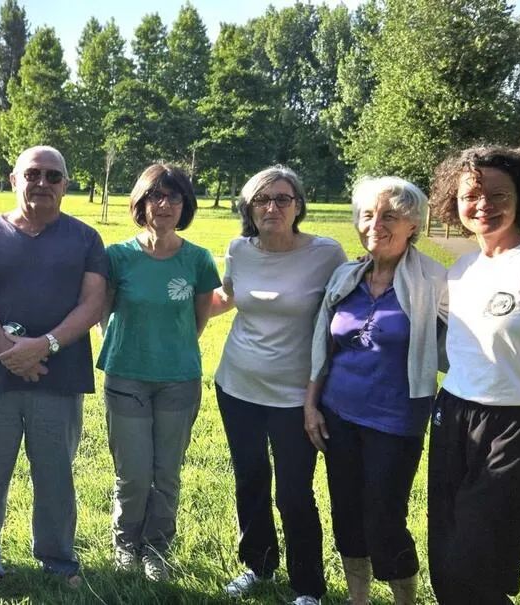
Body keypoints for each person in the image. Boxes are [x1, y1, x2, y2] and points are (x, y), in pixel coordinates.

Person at [426, 145, 520, 605]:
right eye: (471, 195)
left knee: (476, 561)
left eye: (497, 194)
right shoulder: (460, 271)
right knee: (443, 558)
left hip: (517, 426)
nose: (483, 205)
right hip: (452, 416)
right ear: (453, 202)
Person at [0, 145, 107, 588]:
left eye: (53, 176)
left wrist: (44, 345)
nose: (42, 183)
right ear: (14, 180)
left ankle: (58, 559)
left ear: (66, 185)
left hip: (60, 376)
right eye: (32, 174)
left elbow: (93, 303)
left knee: (56, 474)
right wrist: (11, 352)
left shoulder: (86, 238)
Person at [304, 177, 447, 605]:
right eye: (368, 215)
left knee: (385, 520)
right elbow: (323, 346)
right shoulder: (346, 276)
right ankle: (359, 599)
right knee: (347, 515)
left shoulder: (432, 280)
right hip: (338, 415)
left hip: (396, 421)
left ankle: (405, 600)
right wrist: (311, 405)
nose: (375, 225)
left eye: (389, 216)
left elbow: (475, 338)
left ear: (413, 224)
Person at [211, 165, 346, 605]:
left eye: (282, 198)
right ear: (249, 208)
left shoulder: (326, 254)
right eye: (262, 200)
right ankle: (258, 565)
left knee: (293, 492)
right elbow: (227, 296)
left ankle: (307, 586)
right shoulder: (239, 250)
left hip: (295, 397)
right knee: (249, 479)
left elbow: (347, 310)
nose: (272, 207)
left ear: (298, 205)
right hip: (236, 386)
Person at [97, 164, 220, 581]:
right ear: (141, 202)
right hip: (126, 377)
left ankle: (156, 549)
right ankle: (125, 544)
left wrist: (170, 349)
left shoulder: (198, 259)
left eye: (173, 196)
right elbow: (102, 312)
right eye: (155, 195)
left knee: (167, 473)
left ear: (185, 205)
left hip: (179, 380)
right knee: (133, 474)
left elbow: (198, 319)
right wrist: (126, 347)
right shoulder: (117, 257)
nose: (164, 204)